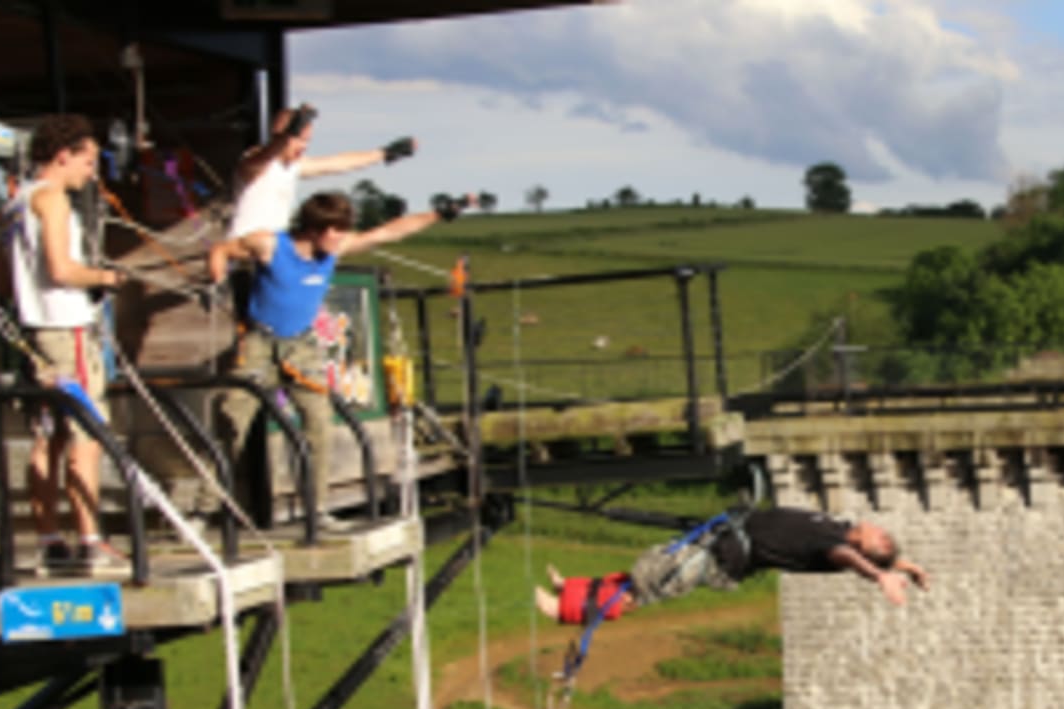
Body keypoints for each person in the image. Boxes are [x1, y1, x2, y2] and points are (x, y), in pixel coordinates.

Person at [206, 191, 470, 529]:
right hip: (258, 344)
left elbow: (388, 232)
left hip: (301, 349)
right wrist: (216, 282)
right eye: (338, 231)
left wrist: (439, 214)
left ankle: (316, 509)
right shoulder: (270, 245)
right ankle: (207, 508)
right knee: (231, 423)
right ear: (317, 229)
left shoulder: (335, 248)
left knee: (319, 422)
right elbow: (220, 250)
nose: (343, 238)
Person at [0, 113, 129, 574]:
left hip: (34, 330)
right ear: (62, 155)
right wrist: (106, 277)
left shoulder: (15, 203)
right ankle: (91, 541)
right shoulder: (52, 199)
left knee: (46, 438)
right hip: (66, 328)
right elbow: (61, 269)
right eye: (87, 160)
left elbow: (1, 278)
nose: (91, 171)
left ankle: (51, 539)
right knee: (86, 435)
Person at [534, 507, 931, 624]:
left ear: (866, 549)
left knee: (649, 587)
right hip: (720, 536)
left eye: (878, 536)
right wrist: (905, 565)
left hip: (723, 558)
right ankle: (571, 588)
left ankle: (566, 611)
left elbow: (853, 560)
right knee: (647, 568)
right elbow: (880, 554)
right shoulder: (842, 528)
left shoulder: (833, 547)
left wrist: (881, 575)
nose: (876, 528)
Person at [228, 103, 414, 237]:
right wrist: (288, 133)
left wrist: (385, 153)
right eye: (299, 139)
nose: (304, 146)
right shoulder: (255, 161)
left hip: (271, 255)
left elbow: (339, 163)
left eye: (308, 141)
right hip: (243, 257)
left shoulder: (293, 167)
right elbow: (267, 155)